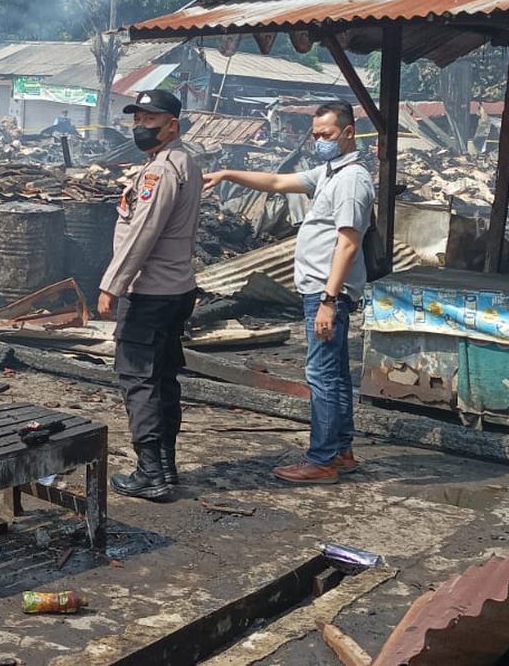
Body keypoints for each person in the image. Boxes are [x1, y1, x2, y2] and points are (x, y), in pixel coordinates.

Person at [203, 100, 375, 485]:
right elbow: (280, 183)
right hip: (321, 290)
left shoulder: (351, 181)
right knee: (334, 374)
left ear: (349, 133)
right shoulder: (331, 172)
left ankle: (322, 460)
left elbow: (348, 243)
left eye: (327, 135)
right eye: (315, 135)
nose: (319, 141)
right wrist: (228, 173)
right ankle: (341, 451)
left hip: (327, 293)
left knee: (321, 375)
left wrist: (329, 301)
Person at [98, 89, 202, 501]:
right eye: (137, 119)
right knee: (162, 379)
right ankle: (166, 466)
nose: (140, 127)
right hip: (177, 289)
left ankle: (150, 474)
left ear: (172, 124)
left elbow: (142, 232)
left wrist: (112, 284)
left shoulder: (161, 172)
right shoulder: (186, 163)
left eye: (149, 120)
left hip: (152, 291)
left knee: (138, 380)